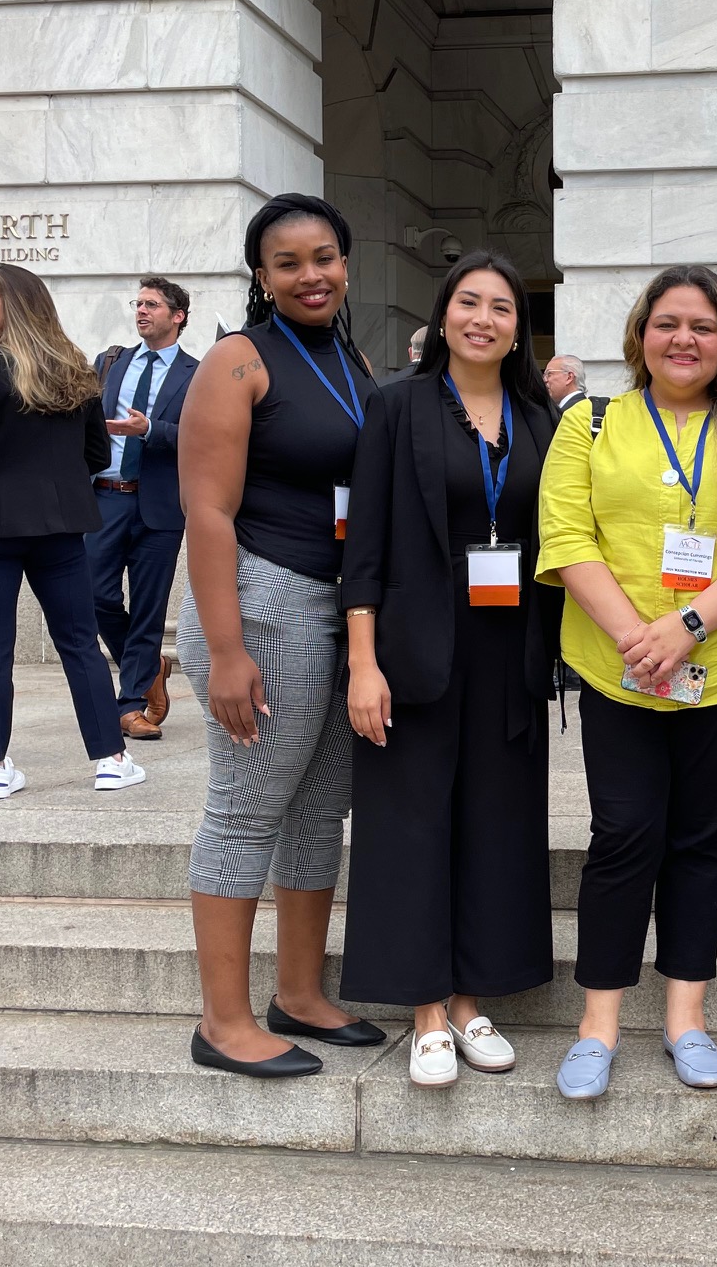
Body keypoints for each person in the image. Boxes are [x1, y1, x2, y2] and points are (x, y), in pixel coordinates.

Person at [537, 264, 717, 1100]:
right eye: (667, 324)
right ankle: (599, 1024)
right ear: (640, 338)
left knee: (699, 838)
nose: (683, 339)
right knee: (623, 835)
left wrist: (685, 628)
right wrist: (634, 638)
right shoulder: (591, 421)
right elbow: (565, 531)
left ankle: (687, 1017)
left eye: (701, 325)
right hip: (618, 670)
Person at [175, 192, 384, 1079]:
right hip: (264, 603)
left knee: (318, 811)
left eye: (325, 257)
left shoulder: (350, 354)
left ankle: (298, 993)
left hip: (336, 612)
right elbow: (207, 511)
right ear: (261, 275)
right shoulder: (236, 359)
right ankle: (222, 1023)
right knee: (248, 807)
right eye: (290, 262)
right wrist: (227, 651)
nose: (312, 275)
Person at [342, 251, 560, 1088]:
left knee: (496, 823)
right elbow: (363, 546)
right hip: (412, 649)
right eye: (468, 303)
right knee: (411, 822)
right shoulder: (396, 407)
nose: (483, 319)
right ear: (443, 317)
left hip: (510, 652)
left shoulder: (539, 418)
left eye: (501, 307)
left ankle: (471, 998)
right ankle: (426, 1006)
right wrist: (362, 663)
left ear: (518, 328)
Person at [0, 265, 144, 800]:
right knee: (79, 642)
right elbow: (98, 453)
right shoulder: (72, 368)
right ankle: (110, 760)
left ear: (15, 304)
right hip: (58, 527)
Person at [87, 276, 199, 741]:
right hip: (106, 497)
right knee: (95, 596)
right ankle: (149, 663)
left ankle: (130, 704)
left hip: (159, 505)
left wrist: (151, 429)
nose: (141, 311)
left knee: (149, 606)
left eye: (152, 304)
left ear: (178, 317)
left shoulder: (197, 373)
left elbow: (200, 436)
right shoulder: (110, 363)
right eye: (139, 303)